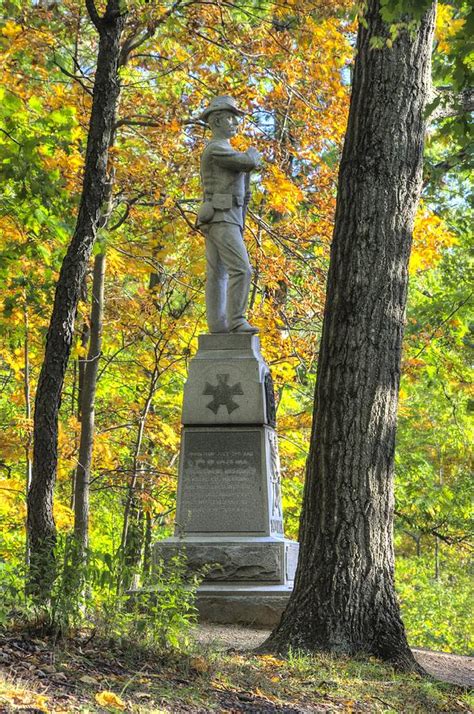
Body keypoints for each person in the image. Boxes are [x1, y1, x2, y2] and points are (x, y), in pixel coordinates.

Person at [196, 96, 261, 334]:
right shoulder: (217, 148)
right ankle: (236, 321)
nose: (236, 123)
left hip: (226, 216)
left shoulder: (222, 147)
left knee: (218, 273)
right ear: (217, 120)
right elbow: (247, 162)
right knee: (241, 269)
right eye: (231, 118)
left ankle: (218, 325)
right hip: (221, 217)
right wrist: (253, 155)